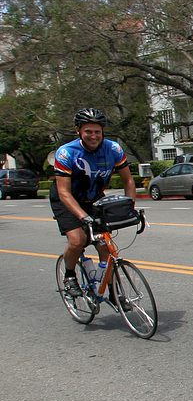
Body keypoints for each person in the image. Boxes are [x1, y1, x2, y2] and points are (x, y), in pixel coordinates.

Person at [50, 108, 136, 297]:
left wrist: (129, 208)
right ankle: (70, 275)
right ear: (78, 131)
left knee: (105, 245)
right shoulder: (66, 152)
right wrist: (83, 217)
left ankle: (113, 293)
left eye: (97, 131)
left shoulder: (113, 149)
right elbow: (63, 192)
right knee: (78, 240)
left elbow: (128, 182)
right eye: (88, 131)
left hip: (94, 198)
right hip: (66, 198)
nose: (93, 136)